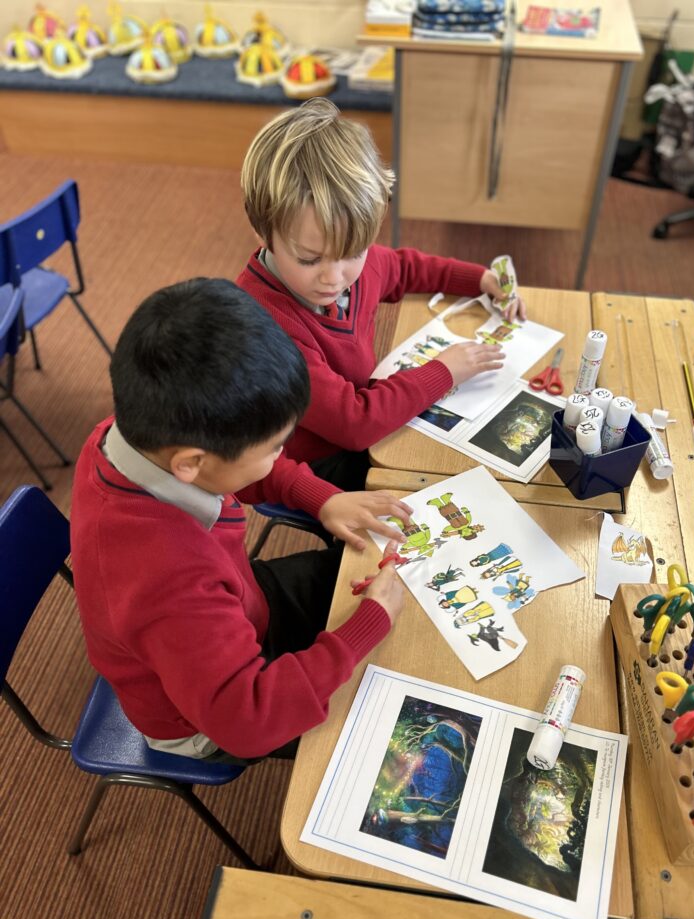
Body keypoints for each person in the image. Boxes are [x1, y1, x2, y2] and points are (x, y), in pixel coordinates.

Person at [70, 278, 411, 763]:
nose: (282, 457)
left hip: (238, 604)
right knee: (397, 738)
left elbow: (229, 472)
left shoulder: (131, 434)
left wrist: (315, 496)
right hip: (211, 722)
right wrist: (365, 628)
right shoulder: (167, 581)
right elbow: (247, 721)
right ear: (191, 463)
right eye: (275, 448)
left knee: (364, 582)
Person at [236, 97, 527, 491]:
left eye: (352, 252)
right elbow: (353, 424)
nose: (334, 277)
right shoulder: (265, 327)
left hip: (361, 416)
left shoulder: (352, 264)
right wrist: (445, 370)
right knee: (431, 481)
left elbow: (403, 268)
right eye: (309, 259)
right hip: (312, 461)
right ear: (262, 235)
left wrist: (478, 279)